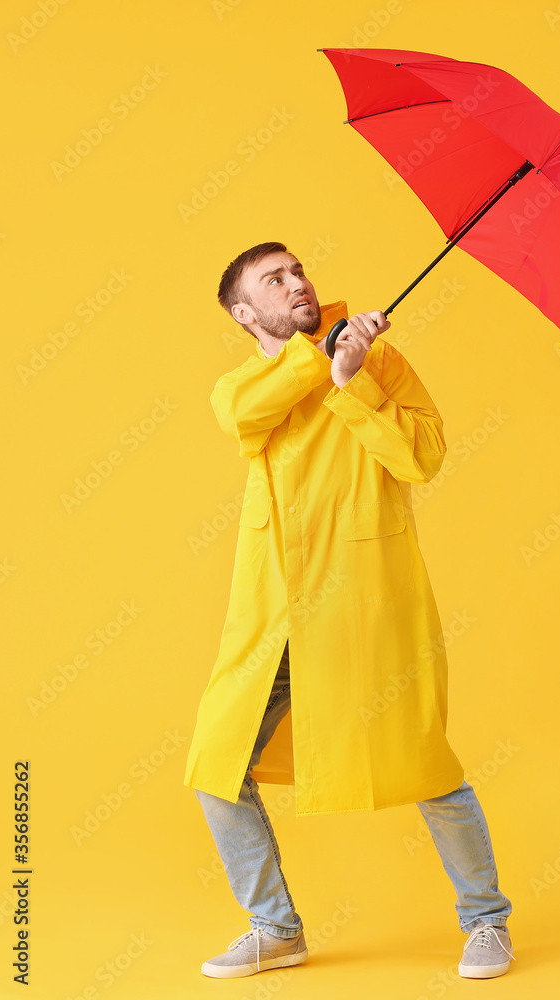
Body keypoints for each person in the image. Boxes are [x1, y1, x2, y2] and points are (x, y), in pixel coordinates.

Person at [184, 242, 515, 981]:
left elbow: (421, 457)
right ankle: (274, 927)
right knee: (215, 763)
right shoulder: (240, 386)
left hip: (365, 599)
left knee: (423, 762)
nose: (297, 282)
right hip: (274, 613)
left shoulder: (376, 360)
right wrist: (321, 359)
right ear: (245, 313)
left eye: (298, 269)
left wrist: (350, 381)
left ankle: (486, 920)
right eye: (275, 279)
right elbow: (249, 416)